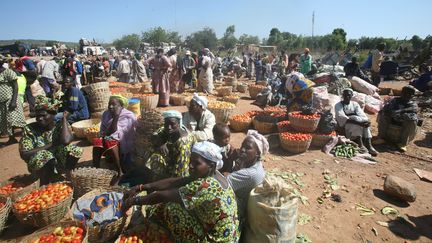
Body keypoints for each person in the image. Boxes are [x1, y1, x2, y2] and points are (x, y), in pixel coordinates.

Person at [122, 141, 239, 242]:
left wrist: (134, 201)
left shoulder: (206, 186)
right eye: (191, 161)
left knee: (171, 207)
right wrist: (142, 187)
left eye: (197, 163)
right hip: (228, 235)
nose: (191, 166)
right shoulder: (217, 175)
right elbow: (178, 181)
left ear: (212, 166)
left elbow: (163, 196)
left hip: (215, 239)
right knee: (172, 202)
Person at [19, 96, 83, 185]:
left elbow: (66, 140)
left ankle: (68, 176)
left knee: (75, 150)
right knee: (45, 155)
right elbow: (24, 154)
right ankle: (44, 184)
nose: (39, 118)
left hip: (58, 163)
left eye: (43, 115)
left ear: (53, 114)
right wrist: (51, 145)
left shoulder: (60, 126)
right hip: (39, 167)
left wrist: (64, 119)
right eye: (37, 116)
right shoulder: (29, 129)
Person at [224, 130, 267, 225]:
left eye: (248, 148)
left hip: (240, 209)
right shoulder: (250, 162)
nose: (242, 149)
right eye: (242, 145)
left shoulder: (250, 174)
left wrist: (228, 168)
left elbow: (222, 183)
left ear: (257, 153)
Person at [143, 110, 195, 181]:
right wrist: (161, 143)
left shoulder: (183, 142)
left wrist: (171, 182)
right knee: (154, 154)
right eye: (166, 124)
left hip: (182, 167)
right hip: (171, 161)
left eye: (172, 124)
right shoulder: (166, 129)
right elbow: (154, 135)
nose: (169, 127)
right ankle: (155, 177)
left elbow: (182, 168)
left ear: (179, 123)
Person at [92, 95, 137, 179]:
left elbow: (119, 133)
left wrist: (116, 116)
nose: (110, 106)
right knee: (97, 141)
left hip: (123, 144)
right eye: (109, 104)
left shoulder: (128, 116)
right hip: (108, 139)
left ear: (121, 106)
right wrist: (104, 136)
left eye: (114, 104)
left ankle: (120, 172)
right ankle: (96, 168)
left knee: (109, 141)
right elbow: (103, 131)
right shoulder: (106, 114)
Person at [335, 88, 378, 156]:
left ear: (352, 96)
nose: (347, 97)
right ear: (342, 96)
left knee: (365, 124)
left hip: (357, 122)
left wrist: (366, 122)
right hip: (346, 124)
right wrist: (358, 122)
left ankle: (369, 146)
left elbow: (362, 114)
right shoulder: (338, 105)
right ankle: (360, 145)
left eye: (349, 95)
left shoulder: (355, 104)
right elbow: (342, 117)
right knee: (356, 124)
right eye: (345, 95)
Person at [376, 85, 419, 152]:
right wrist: (388, 111)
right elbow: (387, 107)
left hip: (404, 121)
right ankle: (382, 137)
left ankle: (403, 143)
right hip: (392, 119)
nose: (406, 95)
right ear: (401, 93)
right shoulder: (395, 100)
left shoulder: (413, 104)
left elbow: (414, 109)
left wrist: (401, 111)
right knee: (383, 113)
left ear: (412, 95)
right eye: (405, 93)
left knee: (412, 119)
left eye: (409, 93)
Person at [0, 61, 26, 146]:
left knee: (15, 119)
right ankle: (12, 138)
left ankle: (26, 136)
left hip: (10, 99)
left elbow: (15, 86)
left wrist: (13, 101)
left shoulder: (8, 72)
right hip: (2, 102)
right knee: (6, 121)